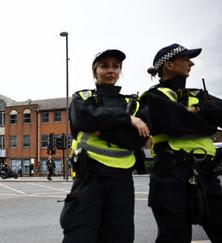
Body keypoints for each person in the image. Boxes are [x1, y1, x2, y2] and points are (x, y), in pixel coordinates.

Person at [60, 49, 150, 243]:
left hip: (122, 181)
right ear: (95, 72)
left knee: (119, 237)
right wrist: (127, 120)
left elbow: (137, 140)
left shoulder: (133, 103)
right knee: (79, 234)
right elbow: (84, 119)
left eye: (115, 66)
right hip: (90, 177)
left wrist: (99, 128)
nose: (111, 70)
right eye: (104, 66)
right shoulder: (82, 98)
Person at [140, 43, 222, 242]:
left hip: (206, 174)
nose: (191, 63)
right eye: (186, 59)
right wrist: (208, 122)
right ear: (169, 64)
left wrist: (201, 109)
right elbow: (176, 123)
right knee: (174, 238)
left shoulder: (199, 96)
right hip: (170, 176)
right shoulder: (152, 97)